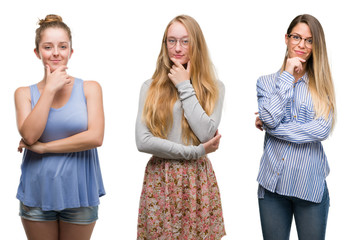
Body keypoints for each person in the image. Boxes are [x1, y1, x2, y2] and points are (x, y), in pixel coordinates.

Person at [15, 14, 105, 240]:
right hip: (38, 193)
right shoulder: (24, 94)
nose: (56, 52)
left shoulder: (90, 88)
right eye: (48, 47)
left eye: (62, 46)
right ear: (37, 52)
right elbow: (29, 134)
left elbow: (95, 137)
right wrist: (49, 90)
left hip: (80, 192)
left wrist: (44, 148)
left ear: (71, 51)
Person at [135, 15, 226, 239]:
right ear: (164, 44)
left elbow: (206, 133)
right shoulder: (150, 87)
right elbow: (142, 141)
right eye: (171, 41)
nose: (177, 48)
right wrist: (195, 151)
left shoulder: (214, 87)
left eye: (185, 41)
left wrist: (185, 86)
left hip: (197, 180)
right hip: (161, 179)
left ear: (196, 44)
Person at [255, 14, 336, 240]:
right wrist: (288, 76)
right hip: (273, 187)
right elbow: (271, 118)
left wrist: (273, 128)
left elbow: (322, 130)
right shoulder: (266, 83)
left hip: (309, 188)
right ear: (286, 39)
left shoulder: (322, 86)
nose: (302, 45)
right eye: (296, 37)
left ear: (315, 45)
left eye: (309, 40)